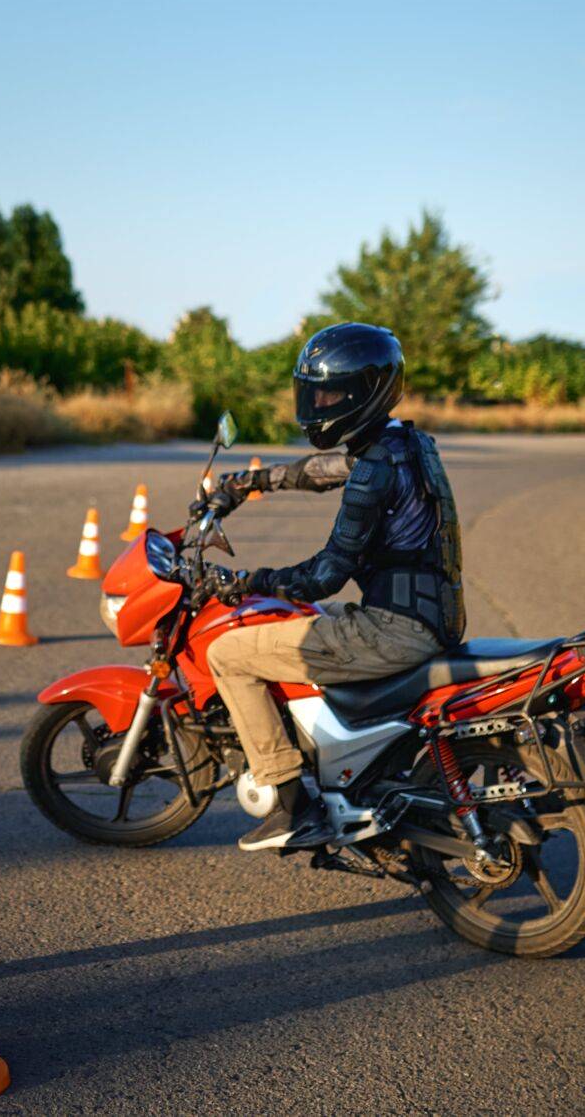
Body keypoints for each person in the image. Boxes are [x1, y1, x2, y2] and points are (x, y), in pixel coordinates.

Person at [200, 323, 466, 854]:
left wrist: (248, 582)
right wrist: (253, 481)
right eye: (314, 391)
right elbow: (327, 470)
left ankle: (290, 804)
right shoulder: (407, 444)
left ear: (365, 391)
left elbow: (325, 572)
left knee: (228, 652)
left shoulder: (374, 467)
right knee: (310, 620)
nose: (318, 403)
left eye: (330, 393)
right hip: (433, 617)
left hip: (395, 630)